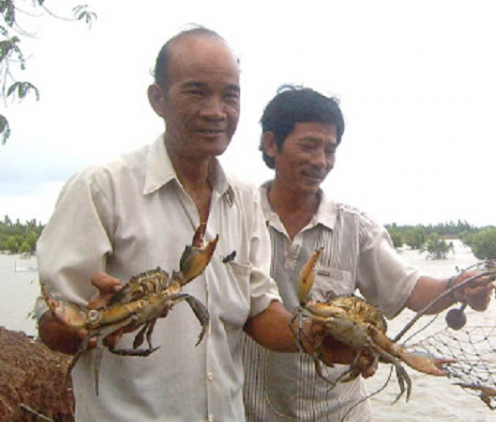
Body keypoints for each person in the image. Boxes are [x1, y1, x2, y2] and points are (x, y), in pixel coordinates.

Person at [35, 28, 348, 421]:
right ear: (158, 99)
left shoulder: (246, 199)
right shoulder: (102, 188)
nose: (216, 111)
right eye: (196, 91)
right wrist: (88, 324)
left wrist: (319, 337)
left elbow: (258, 311)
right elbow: (52, 325)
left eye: (229, 95)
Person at [241, 85, 495, 422]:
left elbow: (409, 289)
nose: (320, 161)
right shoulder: (238, 218)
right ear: (272, 144)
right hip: (249, 411)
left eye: (330, 150)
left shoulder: (355, 228)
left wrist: (456, 285)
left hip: (340, 414)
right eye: (309, 146)